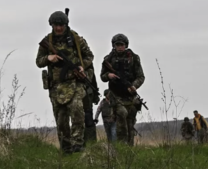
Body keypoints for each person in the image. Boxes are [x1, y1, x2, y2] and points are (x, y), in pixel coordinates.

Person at [36, 11, 95, 154]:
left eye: (61, 25)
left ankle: (78, 145)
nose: (58, 28)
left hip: (75, 83)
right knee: (61, 119)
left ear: (65, 25)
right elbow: (39, 61)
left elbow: (89, 56)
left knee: (77, 111)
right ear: (52, 25)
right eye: (56, 25)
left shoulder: (76, 39)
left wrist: (81, 66)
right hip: (56, 86)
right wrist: (49, 58)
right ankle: (66, 148)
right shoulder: (47, 41)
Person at [100, 34, 145, 146]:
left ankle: (129, 149)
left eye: (122, 45)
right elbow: (102, 76)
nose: (120, 47)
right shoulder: (108, 59)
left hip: (130, 96)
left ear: (126, 45)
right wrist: (109, 75)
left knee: (130, 123)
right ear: (114, 46)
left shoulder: (133, 58)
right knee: (121, 117)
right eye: (117, 45)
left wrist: (134, 86)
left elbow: (141, 77)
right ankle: (121, 147)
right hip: (116, 95)